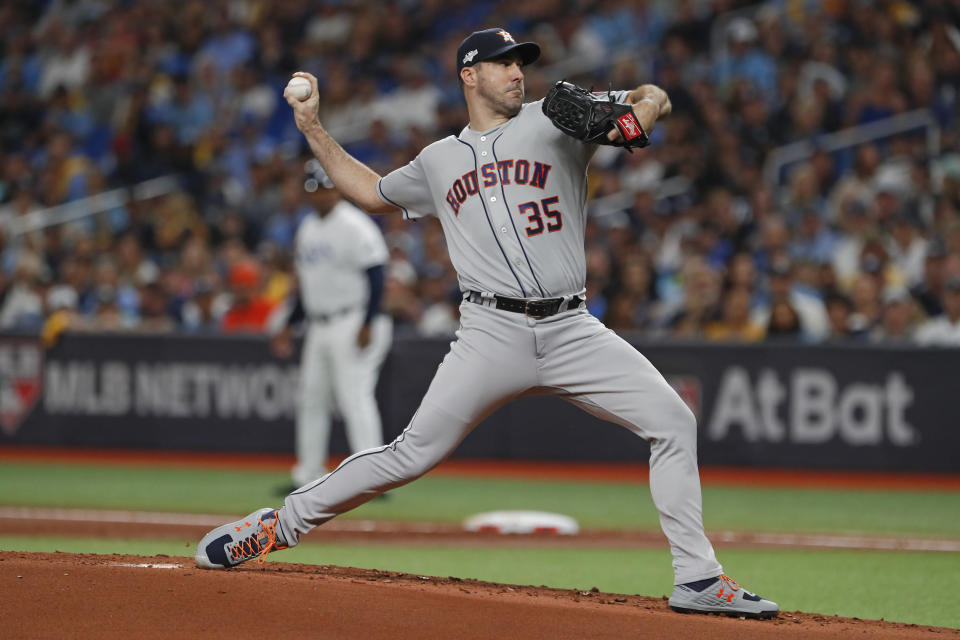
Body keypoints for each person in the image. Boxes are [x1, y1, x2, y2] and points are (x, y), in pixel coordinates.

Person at [196, 27, 778, 619]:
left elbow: (650, 101)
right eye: (502, 64)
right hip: (489, 333)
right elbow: (371, 192)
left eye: (520, 62)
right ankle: (276, 527)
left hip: (572, 327)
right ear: (469, 76)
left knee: (673, 421)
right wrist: (313, 129)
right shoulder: (439, 160)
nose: (517, 72)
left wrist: (643, 106)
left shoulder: (556, 118)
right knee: (409, 456)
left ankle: (698, 578)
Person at [271, 159, 393, 492]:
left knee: (354, 396)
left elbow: (377, 275)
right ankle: (307, 474)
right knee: (312, 398)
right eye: (312, 190)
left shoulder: (354, 224)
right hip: (319, 324)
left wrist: (368, 321)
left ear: (335, 189)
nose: (319, 196)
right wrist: (288, 324)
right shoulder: (308, 228)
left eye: (323, 188)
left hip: (351, 318)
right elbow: (306, 286)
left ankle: (373, 479)